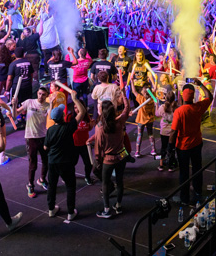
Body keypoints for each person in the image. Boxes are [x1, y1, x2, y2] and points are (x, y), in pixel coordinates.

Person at [44, 85, 87, 224]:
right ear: (62, 117)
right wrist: (75, 99)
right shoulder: (69, 127)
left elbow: (45, 147)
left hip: (52, 161)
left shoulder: (50, 130)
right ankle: (70, 212)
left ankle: (51, 209)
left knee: (52, 186)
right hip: (66, 161)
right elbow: (83, 111)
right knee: (70, 186)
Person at [170, 80, 213, 206]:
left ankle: (184, 198)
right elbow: (209, 96)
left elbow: (173, 132)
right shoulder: (198, 107)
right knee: (197, 168)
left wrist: (169, 148)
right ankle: (198, 192)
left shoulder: (179, 111)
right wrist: (200, 84)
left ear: (183, 96)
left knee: (184, 173)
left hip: (183, 147)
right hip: (196, 143)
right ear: (193, 96)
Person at [94, 92, 131, 218]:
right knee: (120, 182)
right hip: (121, 156)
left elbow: (98, 149)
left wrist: (98, 161)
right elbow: (127, 108)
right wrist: (124, 95)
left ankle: (106, 209)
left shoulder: (100, 128)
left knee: (105, 183)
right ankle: (119, 206)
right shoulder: (120, 121)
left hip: (108, 159)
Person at [18, 87, 51, 198]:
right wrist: (13, 105)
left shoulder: (47, 106)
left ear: (46, 96)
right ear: (37, 93)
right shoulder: (29, 102)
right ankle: (30, 184)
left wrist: (52, 102)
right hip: (31, 137)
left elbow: (51, 117)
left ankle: (42, 179)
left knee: (46, 161)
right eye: (40, 94)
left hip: (43, 136)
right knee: (33, 164)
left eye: (43, 94)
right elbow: (15, 113)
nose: (41, 96)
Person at [133, 81, 157, 158]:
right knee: (150, 134)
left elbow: (134, 91)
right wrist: (153, 80)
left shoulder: (141, 98)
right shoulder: (152, 97)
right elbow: (155, 88)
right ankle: (153, 150)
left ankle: (137, 151)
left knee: (140, 135)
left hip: (141, 119)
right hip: (150, 119)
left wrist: (132, 81)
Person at [156, 90, 177, 171]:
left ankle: (161, 165)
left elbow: (157, 114)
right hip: (173, 131)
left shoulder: (162, 107)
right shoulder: (175, 107)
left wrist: (156, 105)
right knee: (171, 148)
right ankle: (170, 166)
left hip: (164, 131)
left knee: (163, 147)